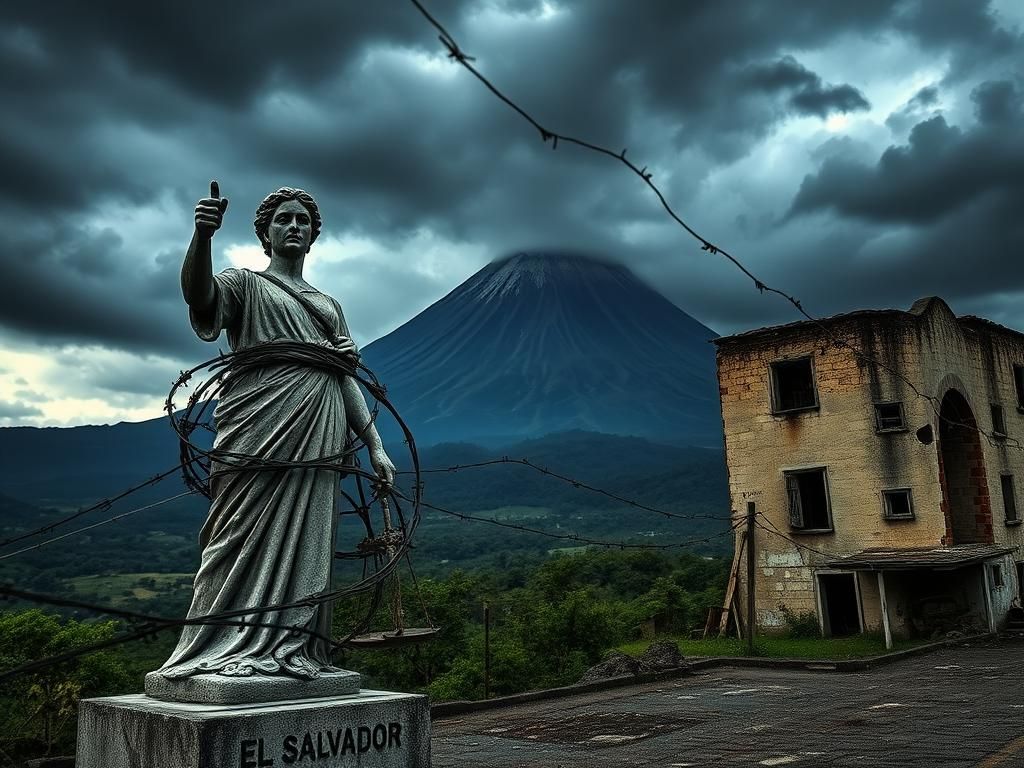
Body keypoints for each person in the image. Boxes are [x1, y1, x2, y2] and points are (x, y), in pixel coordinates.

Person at [155, 181, 395, 681]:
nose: (293, 226)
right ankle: (218, 646)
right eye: (283, 219)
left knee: (310, 538)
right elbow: (199, 298)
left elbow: (343, 376)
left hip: (320, 434)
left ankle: (297, 650)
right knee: (235, 534)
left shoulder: (328, 306)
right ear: (265, 233)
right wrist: (202, 236)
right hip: (257, 429)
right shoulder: (245, 284)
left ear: (313, 237)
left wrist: (375, 443)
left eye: (302, 221)